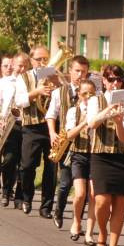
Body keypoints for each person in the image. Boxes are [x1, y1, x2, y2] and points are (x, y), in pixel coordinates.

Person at [87, 65, 124, 246]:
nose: (115, 83)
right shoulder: (95, 100)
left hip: (121, 156)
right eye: (111, 79)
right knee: (102, 201)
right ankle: (102, 232)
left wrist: (120, 122)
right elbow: (91, 123)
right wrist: (108, 111)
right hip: (100, 155)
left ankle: (113, 245)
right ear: (104, 81)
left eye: (118, 79)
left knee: (120, 202)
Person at [45, 54, 91, 230]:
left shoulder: (92, 93)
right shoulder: (59, 92)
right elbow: (51, 115)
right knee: (64, 183)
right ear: (70, 71)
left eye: (84, 72)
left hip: (85, 144)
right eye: (77, 71)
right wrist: (52, 133)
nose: (80, 75)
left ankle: (77, 219)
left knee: (84, 189)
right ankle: (59, 209)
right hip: (65, 142)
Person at [14, 46, 58, 217]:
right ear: (31, 61)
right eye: (39, 59)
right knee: (27, 166)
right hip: (31, 126)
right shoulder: (23, 77)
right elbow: (19, 100)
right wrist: (37, 92)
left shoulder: (55, 76)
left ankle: (46, 206)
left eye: (45, 59)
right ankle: (26, 197)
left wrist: (58, 86)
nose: (42, 62)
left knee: (51, 168)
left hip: (52, 126)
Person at [60, 75, 97, 243]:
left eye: (91, 94)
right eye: (84, 94)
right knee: (80, 193)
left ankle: (89, 232)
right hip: (79, 154)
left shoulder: (98, 111)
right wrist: (84, 123)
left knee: (94, 195)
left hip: (96, 155)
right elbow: (68, 135)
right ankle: (76, 221)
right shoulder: (73, 111)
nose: (88, 97)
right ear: (79, 95)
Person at [0, 54, 22, 207]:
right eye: (18, 65)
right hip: (9, 124)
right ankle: (6, 190)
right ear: (13, 66)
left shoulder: (31, 81)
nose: (21, 68)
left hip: (27, 125)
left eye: (24, 66)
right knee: (9, 160)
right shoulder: (4, 83)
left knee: (24, 163)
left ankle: (20, 195)